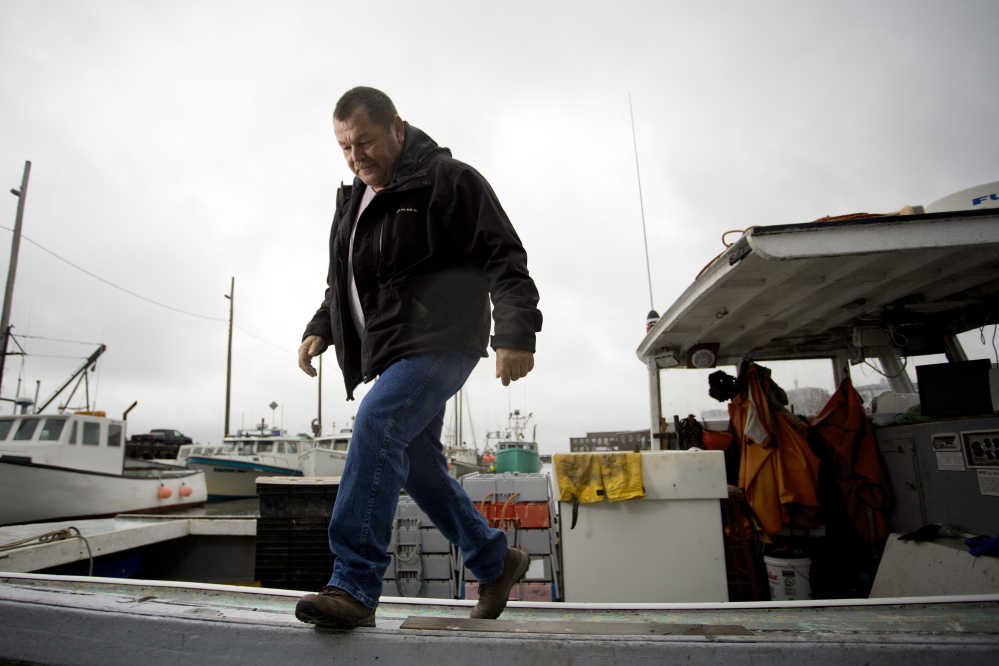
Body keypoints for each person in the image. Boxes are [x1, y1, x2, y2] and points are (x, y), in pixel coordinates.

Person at [294, 87, 542, 629]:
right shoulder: (354, 201)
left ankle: (354, 584)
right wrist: (321, 328)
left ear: (398, 129)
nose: (357, 157)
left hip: (444, 339)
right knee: (423, 466)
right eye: (345, 147)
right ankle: (494, 560)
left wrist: (515, 333)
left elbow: (503, 255)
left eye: (366, 142)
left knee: (378, 420)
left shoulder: (449, 181)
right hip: (393, 350)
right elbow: (345, 283)